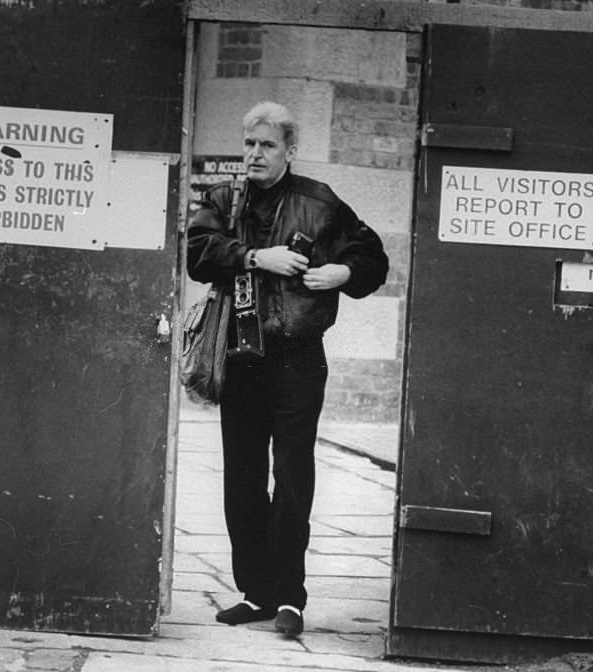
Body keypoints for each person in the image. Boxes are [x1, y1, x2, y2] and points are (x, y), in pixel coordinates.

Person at [186, 101, 389, 637]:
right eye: (249, 143)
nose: (254, 154)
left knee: (292, 475)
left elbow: (374, 259)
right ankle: (256, 593)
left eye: (266, 145)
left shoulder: (319, 203)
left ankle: (290, 598)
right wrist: (256, 258)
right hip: (239, 355)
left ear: (289, 151)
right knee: (243, 478)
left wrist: (342, 271)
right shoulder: (224, 199)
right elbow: (199, 252)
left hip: (297, 355)